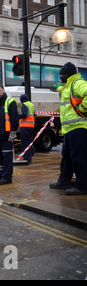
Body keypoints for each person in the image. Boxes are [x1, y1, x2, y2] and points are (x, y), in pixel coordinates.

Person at [49, 62, 87, 195]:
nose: (60, 78)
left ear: (68, 75)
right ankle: (64, 181)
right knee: (67, 157)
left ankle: (82, 186)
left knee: (79, 157)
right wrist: (59, 88)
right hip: (70, 129)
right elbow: (64, 92)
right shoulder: (69, 85)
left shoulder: (77, 83)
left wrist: (82, 108)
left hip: (78, 127)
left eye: (62, 75)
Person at [18, 94, 35, 164]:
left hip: (25, 126)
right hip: (31, 126)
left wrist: (17, 116)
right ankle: (29, 158)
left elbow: (24, 114)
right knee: (29, 142)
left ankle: (26, 158)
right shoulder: (31, 104)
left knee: (25, 143)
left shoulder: (24, 105)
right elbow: (34, 115)